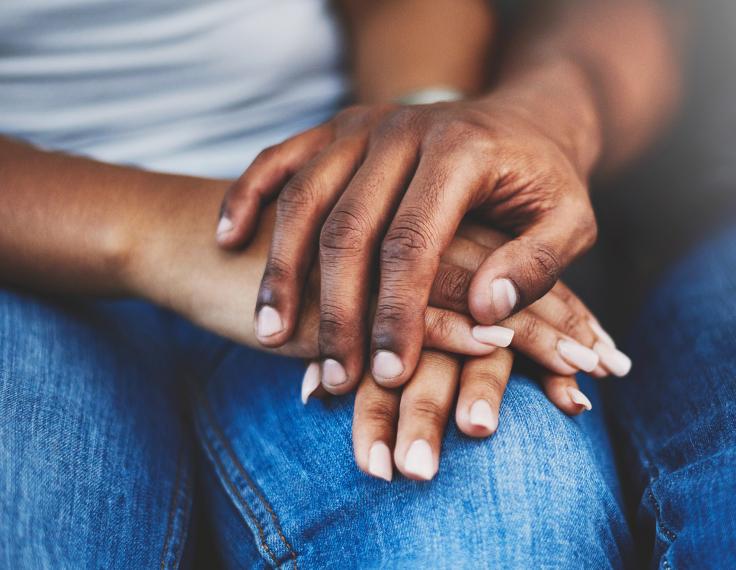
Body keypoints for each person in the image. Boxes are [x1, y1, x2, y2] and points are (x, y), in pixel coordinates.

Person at [0, 0, 679, 566]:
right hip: (31, 254)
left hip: (337, 201)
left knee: (507, 513)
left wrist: (421, 177)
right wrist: (177, 235)